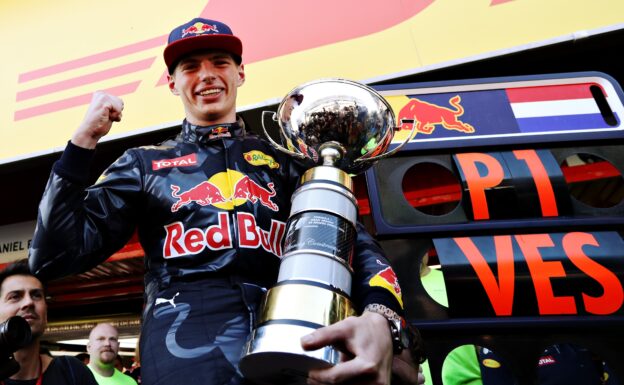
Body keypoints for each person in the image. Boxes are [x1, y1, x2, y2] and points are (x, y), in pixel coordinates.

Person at [29, 17, 416, 385]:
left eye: (220, 62)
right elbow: (51, 255)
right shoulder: (143, 163)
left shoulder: (287, 162)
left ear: (240, 74)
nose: (207, 75)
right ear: (172, 83)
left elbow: (355, 246)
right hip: (182, 348)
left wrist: (382, 315)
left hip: (291, 336)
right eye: (191, 66)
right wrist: (81, 144)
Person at [0, 260, 98, 385]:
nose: (28, 302)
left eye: (36, 295)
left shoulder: (71, 372)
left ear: (45, 313)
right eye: (15, 296)